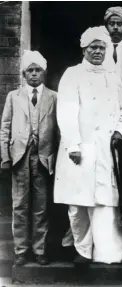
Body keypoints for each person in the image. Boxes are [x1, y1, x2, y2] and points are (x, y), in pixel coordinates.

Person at [54, 27, 122, 264]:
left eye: (102, 47)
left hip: (105, 149)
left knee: (102, 202)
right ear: (84, 49)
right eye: (93, 47)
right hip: (81, 148)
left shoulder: (113, 77)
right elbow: (67, 112)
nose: (98, 52)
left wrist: (120, 132)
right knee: (78, 203)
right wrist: (74, 145)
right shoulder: (72, 74)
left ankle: (101, 251)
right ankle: (81, 248)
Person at [0, 50, 59, 266]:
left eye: (38, 70)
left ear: (44, 73)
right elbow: (5, 128)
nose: (34, 74)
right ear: (24, 74)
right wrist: (5, 157)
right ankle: (21, 251)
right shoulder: (14, 97)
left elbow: (59, 130)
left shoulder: (54, 97)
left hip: (43, 158)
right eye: (30, 71)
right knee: (20, 205)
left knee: (41, 206)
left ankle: (40, 249)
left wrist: (56, 157)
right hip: (19, 157)